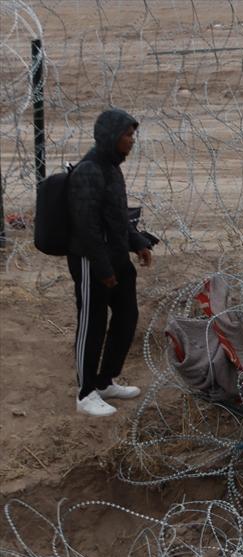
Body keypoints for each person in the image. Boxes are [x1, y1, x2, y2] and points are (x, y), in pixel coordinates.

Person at [67, 109, 154, 417]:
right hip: (93, 263)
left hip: (117, 259)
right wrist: (103, 269)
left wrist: (138, 243)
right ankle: (86, 391)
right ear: (110, 136)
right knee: (92, 324)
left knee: (126, 317)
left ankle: (105, 381)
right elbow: (86, 228)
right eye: (127, 135)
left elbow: (117, 217)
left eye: (133, 135)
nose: (132, 141)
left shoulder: (112, 169)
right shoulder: (89, 171)